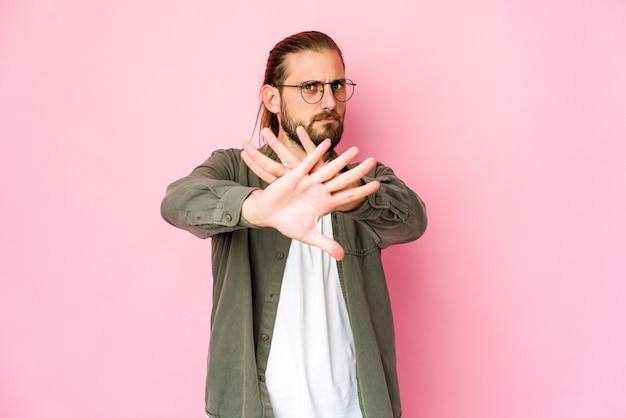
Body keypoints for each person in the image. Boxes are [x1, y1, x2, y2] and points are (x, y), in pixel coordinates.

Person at [161, 31, 427, 418]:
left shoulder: (364, 176)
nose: (330, 101)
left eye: (337, 85)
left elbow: (413, 220)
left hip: (356, 407)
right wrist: (255, 208)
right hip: (254, 407)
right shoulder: (235, 168)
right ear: (272, 98)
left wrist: (354, 195)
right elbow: (177, 200)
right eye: (311, 87)